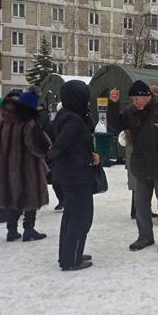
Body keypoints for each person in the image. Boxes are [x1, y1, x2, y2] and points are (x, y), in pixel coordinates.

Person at [108, 81, 158, 253]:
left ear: (148, 96)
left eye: (139, 98)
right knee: (141, 204)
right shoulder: (131, 112)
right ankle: (145, 236)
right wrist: (113, 104)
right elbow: (115, 125)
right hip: (141, 165)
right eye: (133, 99)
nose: (136, 102)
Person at [0, 90, 51, 242]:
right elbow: (37, 146)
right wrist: (45, 142)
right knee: (30, 196)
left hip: (5, 163)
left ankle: (12, 230)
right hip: (26, 165)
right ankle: (29, 229)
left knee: (12, 196)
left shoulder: (1, 118)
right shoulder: (28, 122)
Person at [47, 80, 99, 271]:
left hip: (70, 174)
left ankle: (71, 254)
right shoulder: (73, 119)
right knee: (81, 217)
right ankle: (71, 259)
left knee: (71, 216)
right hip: (76, 175)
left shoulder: (66, 114)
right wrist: (84, 158)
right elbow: (60, 145)